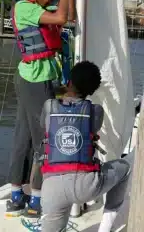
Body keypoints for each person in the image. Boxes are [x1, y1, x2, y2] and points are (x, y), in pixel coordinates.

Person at [6, 0, 75, 217]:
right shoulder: (25, 8)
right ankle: (36, 200)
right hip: (36, 79)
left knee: (24, 136)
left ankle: (16, 196)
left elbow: (69, 15)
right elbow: (61, 20)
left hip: (31, 79)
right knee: (44, 141)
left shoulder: (41, 10)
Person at [38, 61, 131, 232]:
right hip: (86, 185)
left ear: (69, 82)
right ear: (92, 91)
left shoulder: (49, 106)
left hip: (52, 187)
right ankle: (105, 228)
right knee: (125, 168)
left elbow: (45, 124)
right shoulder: (96, 111)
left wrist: (61, 92)